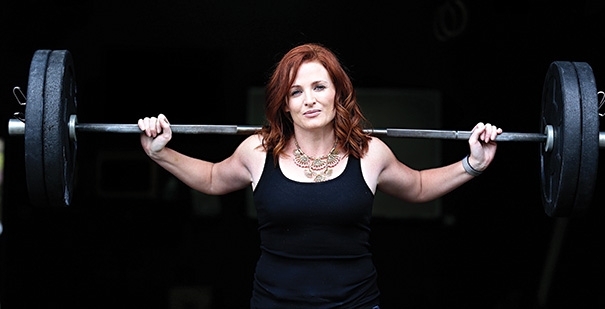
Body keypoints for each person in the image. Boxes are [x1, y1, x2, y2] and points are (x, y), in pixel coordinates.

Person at [138, 43, 502, 308]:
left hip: (355, 304)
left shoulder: (370, 153)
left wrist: (473, 164)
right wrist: (162, 153)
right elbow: (215, 179)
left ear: (337, 93)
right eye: (295, 92)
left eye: (318, 87)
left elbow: (419, 186)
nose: (308, 100)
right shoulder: (258, 150)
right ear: (284, 103)